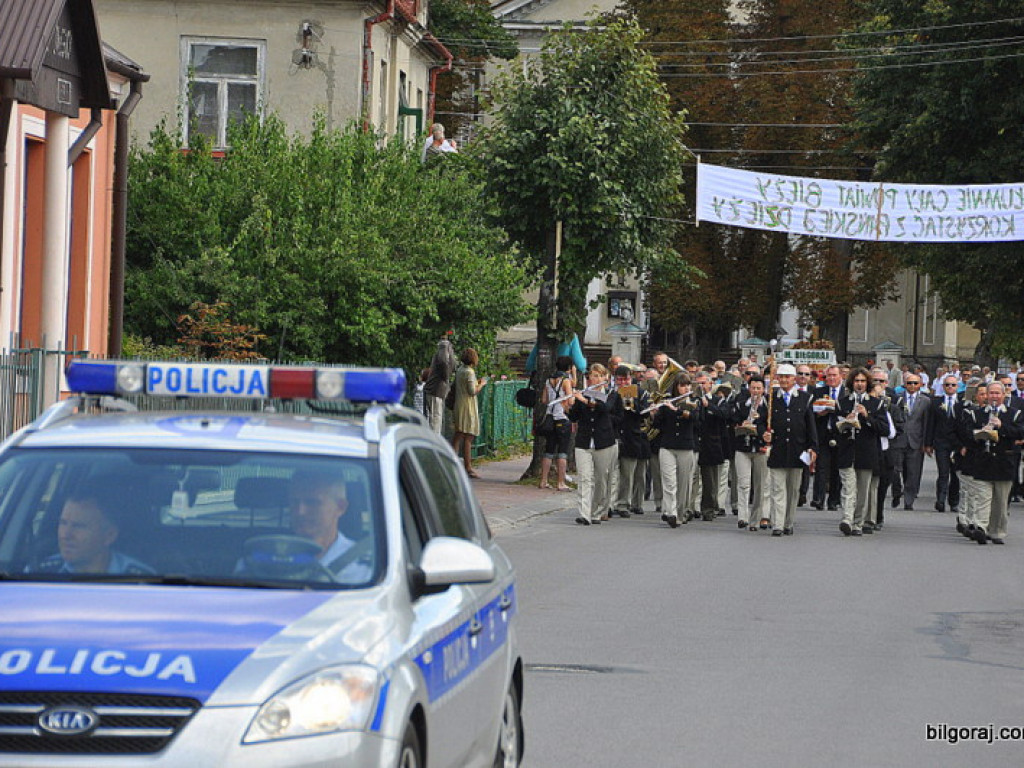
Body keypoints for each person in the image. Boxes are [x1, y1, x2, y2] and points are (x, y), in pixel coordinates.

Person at [36, 491, 153, 574]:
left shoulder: (140, 580)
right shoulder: (41, 571)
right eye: (63, 523)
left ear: (109, 535)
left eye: (78, 526)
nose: (65, 535)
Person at [965, 382, 1024, 544]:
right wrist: (980, 432)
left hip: (1004, 462)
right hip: (983, 461)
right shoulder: (977, 414)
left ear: (1004, 395)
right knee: (982, 497)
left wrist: (1001, 426)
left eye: (998, 393)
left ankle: (996, 531)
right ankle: (981, 527)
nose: (994, 396)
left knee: (1000, 501)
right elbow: (968, 434)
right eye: (991, 393)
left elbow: (1020, 432)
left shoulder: (1015, 414)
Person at [763, 364, 817, 536]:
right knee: (777, 489)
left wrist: (812, 447)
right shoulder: (771, 398)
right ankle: (777, 524)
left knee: (793, 491)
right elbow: (762, 423)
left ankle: (788, 522)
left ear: (794, 379)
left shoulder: (805, 398)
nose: (784, 380)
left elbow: (810, 426)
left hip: (797, 450)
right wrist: (764, 434)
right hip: (777, 450)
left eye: (787, 377)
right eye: (781, 377)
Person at [835, 368, 889, 537]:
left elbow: (884, 429)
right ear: (851, 383)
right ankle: (847, 519)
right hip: (847, 451)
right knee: (848, 488)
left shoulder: (876, 404)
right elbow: (834, 428)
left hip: (867, 452)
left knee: (863, 490)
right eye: (857, 381)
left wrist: (867, 416)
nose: (859, 384)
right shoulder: (842, 403)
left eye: (863, 381)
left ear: (867, 384)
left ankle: (858, 523)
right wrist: (846, 422)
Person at [287, 471, 370, 578]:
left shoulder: (364, 568)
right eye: (294, 502)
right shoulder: (271, 558)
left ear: (340, 507)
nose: (300, 511)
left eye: (312, 502)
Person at [568, 364, 622, 525]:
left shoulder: (612, 394)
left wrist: (585, 400)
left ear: (606, 378)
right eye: (594, 376)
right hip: (583, 442)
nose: (597, 379)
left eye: (600, 376)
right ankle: (584, 513)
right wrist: (569, 404)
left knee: (601, 479)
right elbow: (574, 417)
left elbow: (605, 408)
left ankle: (597, 511)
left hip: (604, 442)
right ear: (589, 378)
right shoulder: (583, 394)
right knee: (584, 478)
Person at [653, 372, 700, 528]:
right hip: (667, 446)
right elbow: (658, 425)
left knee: (683, 483)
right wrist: (655, 413)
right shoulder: (667, 402)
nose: (686, 388)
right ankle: (671, 512)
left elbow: (696, 419)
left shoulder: (694, 402)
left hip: (686, 446)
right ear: (676, 387)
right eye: (682, 385)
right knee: (669, 481)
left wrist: (676, 410)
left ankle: (680, 513)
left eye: (688, 385)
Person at [730, 375, 770, 531]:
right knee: (743, 483)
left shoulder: (769, 406)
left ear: (763, 389)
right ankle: (743, 516)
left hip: (760, 449)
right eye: (753, 388)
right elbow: (733, 422)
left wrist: (759, 430)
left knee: (761, 485)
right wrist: (742, 424)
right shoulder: (741, 404)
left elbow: (770, 427)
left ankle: (759, 517)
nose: (756, 391)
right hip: (743, 448)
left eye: (759, 388)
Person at [612, 365, 650, 517]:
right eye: (619, 380)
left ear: (631, 378)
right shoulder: (611, 392)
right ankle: (613, 502)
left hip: (632, 436)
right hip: (614, 434)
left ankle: (625, 504)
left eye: (626, 379)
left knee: (630, 473)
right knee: (614, 473)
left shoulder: (640, 392)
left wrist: (630, 402)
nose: (623, 383)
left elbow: (644, 413)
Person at [923, 374, 964, 513]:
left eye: (953, 385)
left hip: (957, 443)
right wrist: (928, 443)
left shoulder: (962, 403)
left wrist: (964, 444)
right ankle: (940, 500)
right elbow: (931, 423)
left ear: (957, 387)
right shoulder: (936, 402)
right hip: (941, 442)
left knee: (955, 474)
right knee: (943, 472)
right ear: (943, 386)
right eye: (947, 385)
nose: (950, 387)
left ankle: (954, 502)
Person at [892, 372, 930, 510]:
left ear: (920, 385)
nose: (912, 386)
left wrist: (926, 443)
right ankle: (897, 491)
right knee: (895, 469)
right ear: (905, 385)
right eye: (909, 383)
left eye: (915, 383)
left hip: (916, 440)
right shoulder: (897, 398)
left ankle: (909, 500)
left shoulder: (925, 401)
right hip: (899, 439)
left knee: (913, 472)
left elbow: (926, 423)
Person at [538, 355, 575, 491]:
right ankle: (560, 482)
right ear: (568, 368)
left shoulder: (549, 380)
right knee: (562, 452)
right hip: (562, 418)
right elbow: (570, 401)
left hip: (550, 418)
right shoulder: (565, 381)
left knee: (549, 450)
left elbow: (544, 400)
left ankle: (543, 481)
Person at [451, 348, 487, 478]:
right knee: (468, 436)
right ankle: (468, 467)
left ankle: (452, 463)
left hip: (459, 404)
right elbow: (472, 391)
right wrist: (482, 384)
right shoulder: (469, 372)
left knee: (458, 434)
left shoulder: (460, 370)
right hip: (468, 406)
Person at [423, 334, 456, 434]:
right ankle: (434, 442)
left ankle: (434, 440)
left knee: (436, 418)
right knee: (435, 419)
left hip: (436, 390)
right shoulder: (444, 346)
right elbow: (443, 362)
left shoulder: (444, 348)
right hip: (435, 390)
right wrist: (446, 377)